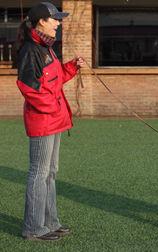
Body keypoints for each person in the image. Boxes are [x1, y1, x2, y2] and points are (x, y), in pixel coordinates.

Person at [16, 2, 84, 241]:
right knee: (39, 173)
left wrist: (72, 67)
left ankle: (49, 222)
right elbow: (28, 88)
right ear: (41, 21)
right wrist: (53, 108)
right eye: (54, 18)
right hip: (43, 121)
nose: (58, 22)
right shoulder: (30, 50)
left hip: (53, 120)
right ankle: (33, 228)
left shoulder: (47, 48)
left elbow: (53, 80)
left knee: (50, 173)